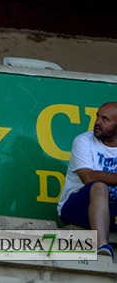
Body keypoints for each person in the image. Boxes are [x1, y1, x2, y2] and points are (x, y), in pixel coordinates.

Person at [58, 101, 117, 259]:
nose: (97, 122)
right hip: (77, 207)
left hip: (112, 210)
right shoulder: (83, 141)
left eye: (105, 120)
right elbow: (88, 177)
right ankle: (102, 247)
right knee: (98, 186)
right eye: (98, 116)